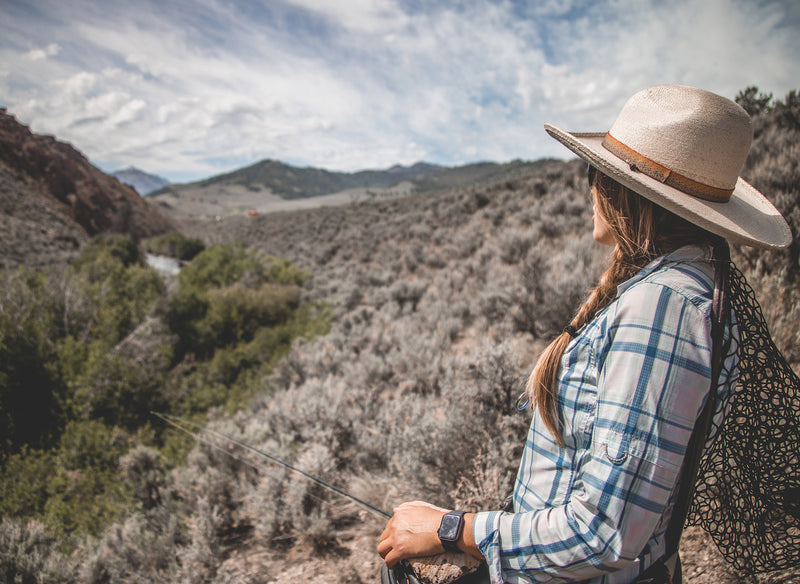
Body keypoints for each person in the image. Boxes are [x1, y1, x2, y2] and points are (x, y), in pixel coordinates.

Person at [377, 85, 791, 583]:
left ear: (628, 192)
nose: (590, 186)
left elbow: (603, 534)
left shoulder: (661, 307)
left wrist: (451, 530)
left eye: (597, 173)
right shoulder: (675, 287)